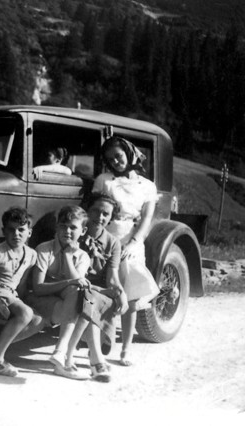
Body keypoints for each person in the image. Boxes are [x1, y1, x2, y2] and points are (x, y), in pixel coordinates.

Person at [93, 135, 161, 366]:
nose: (116, 162)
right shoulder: (105, 180)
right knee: (103, 289)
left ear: (130, 154)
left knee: (131, 297)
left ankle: (126, 348)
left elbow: (146, 218)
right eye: (111, 159)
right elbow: (97, 211)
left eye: (119, 156)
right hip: (107, 236)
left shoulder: (147, 186)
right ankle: (99, 341)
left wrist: (134, 242)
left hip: (132, 238)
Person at [0, 207, 44, 377]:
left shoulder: (32, 255)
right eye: (11, 230)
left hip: (11, 294)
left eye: (21, 230)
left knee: (38, 321)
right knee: (25, 313)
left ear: (29, 232)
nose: (16, 234)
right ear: (3, 231)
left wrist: (21, 302)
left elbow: (21, 283)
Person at [28, 205, 91, 380]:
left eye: (73, 227)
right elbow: (38, 288)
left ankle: (63, 355)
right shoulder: (44, 249)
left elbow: (77, 285)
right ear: (56, 227)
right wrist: (70, 281)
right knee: (77, 292)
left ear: (83, 231)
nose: (67, 231)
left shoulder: (83, 256)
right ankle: (65, 358)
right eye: (63, 226)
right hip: (41, 300)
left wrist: (69, 257)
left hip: (64, 304)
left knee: (83, 296)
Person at [73, 192, 129, 382]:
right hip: (75, 284)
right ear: (87, 211)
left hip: (98, 290)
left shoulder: (113, 243)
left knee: (94, 299)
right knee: (90, 298)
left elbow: (112, 276)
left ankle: (95, 356)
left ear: (111, 218)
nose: (100, 217)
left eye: (106, 214)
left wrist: (121, 292)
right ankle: (97, 360)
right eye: (95, 211)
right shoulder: (75, 233)